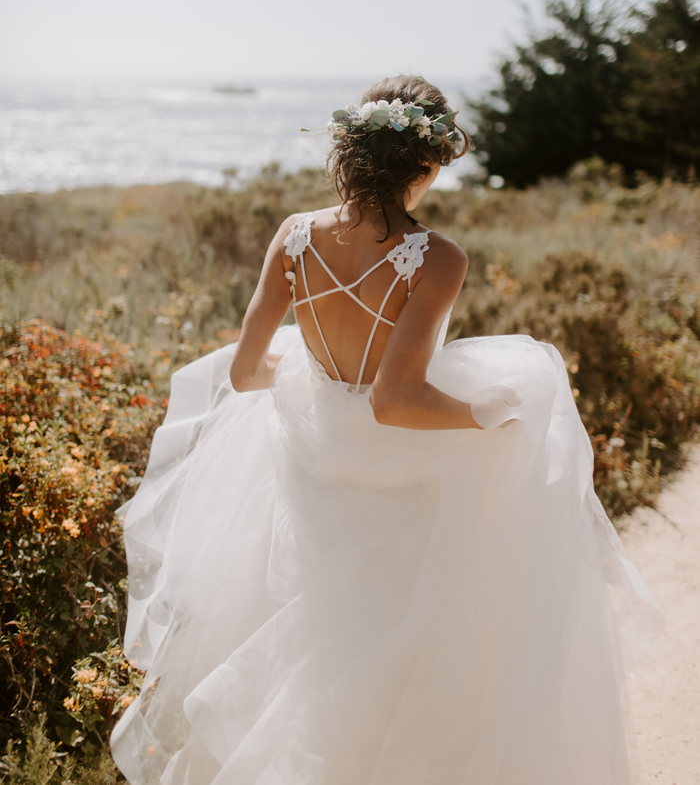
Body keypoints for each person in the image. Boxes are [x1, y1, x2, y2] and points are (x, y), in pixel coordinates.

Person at [111, 76, 661, 785]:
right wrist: (485, 413)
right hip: (399, 478)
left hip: (313, 472)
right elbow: (394, 402)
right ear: (425, 165)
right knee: (409, 653)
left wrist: (308, 370)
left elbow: (246, 374)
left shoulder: (293, 237)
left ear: (355, 150)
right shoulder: (436, 258)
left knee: (320, 647)